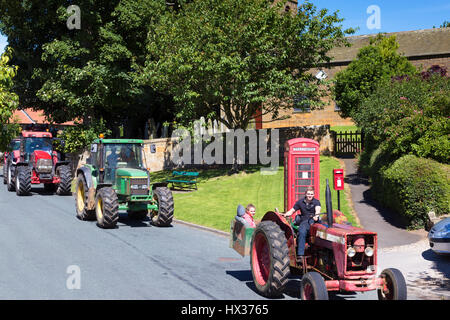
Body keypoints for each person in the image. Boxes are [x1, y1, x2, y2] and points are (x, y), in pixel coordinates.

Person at [283, 187, 321, 261]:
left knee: (325, 228)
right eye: (308, 194)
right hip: (305, 221)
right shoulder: (300, 202)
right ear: (305, 194)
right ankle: (300, 255)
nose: (310, 195)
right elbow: (292, 211)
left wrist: (316, 216)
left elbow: (318, 210)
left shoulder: (316, 202)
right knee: (302, 230)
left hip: (314, 220)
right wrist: (285, 215)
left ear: (314, 194)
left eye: (311, 194)